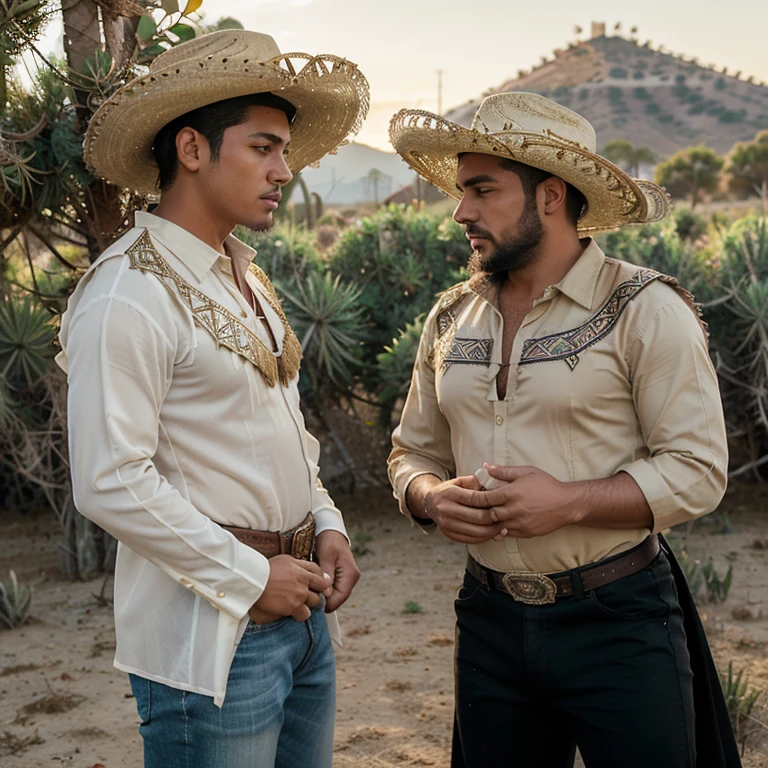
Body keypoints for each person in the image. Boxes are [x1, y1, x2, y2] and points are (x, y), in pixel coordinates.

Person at [387, 92, 740, 768]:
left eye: (482, 190)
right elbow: (411, 453)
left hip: (619, 621)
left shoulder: (645, 309)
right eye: (462, 191)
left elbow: (698, 471)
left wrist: (569, 501)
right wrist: (430, 498)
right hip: (487, 624)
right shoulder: (450, 318)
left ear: (550, 195)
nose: (462, 211)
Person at [56, 30, 369, 768]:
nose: (283, 170)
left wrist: (327, 522)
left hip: (301, 608)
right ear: (192, 149)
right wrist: (252, 575)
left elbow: (284, 426)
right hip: (214, 638)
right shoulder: (125, 293)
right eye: (263, 147)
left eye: (285, 151)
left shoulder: (246, 278)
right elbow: (109, 479)